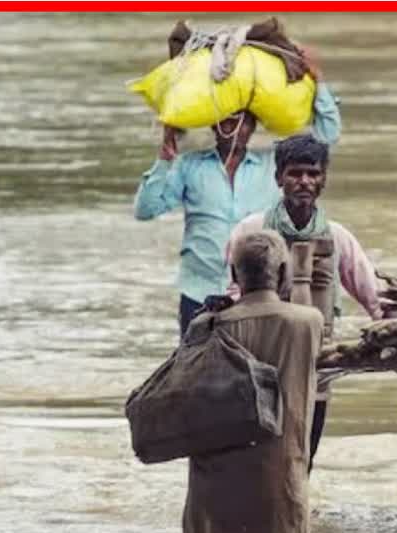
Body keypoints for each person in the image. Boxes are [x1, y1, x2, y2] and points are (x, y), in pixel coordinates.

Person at [133, 48, 342, 337]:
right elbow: (145, 209)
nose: (232, 128)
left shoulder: (273, 165)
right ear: (214, 124)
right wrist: (165, 158)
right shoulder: (188, 167)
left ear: (252, 124)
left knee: (260, 372)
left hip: (261, 293)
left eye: (240, 119)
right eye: (225, 120)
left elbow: (326, 138)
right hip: (200, 291)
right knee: (198, 373)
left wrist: (317, 82)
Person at [227, 134, 383, 470]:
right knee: (258, 455)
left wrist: (395, 330)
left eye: (313, 174)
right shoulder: (250, 230)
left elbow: (373, 294)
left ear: (323, 179)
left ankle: (295, 515)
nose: (304, 182)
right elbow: (233, 294)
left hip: (316, 360)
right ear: (278, 177)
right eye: (295, 173)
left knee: (303, 457)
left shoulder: (337, 237)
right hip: (259, 360)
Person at [183, 230, 324, 533]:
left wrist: (210, 316)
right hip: (278, 479)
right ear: (281, 272)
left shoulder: (208, 326)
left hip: (214, 483)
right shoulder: (306, 323)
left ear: (233, 272)